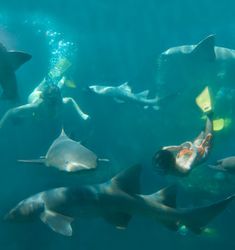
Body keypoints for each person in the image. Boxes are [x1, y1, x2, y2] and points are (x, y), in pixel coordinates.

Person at [153, 87, 214, 176]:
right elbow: (196, 153)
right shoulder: (185, 168)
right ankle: (210, 115)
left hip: (186, 152)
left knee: (200, 136)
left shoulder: (165, 165)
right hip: (201, 154)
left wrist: (178, 147)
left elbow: (165, 149)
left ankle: (203, 129)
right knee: (208, 137)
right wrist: (189, 145)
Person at [0, 76, 90, 128]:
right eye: (51, 101)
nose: (54, 104)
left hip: (47, 95)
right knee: (39, 89)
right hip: (34, 96)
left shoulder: (58, 101)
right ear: (44, 99)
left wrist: (82, 114)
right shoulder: (36, 106)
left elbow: (70, 99)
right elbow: (10, 111)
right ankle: (46, 81)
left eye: (56, 100)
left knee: (56, 88)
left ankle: (60, 79)